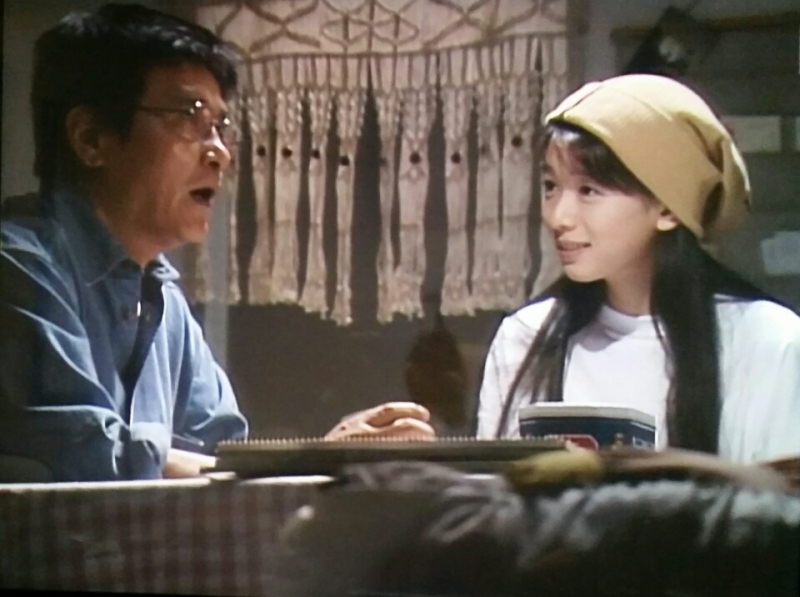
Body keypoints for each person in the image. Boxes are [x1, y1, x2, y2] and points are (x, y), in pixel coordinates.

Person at [0, 3, 432, 483]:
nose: (220, 153)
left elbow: (222, 458)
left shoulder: (162, 297)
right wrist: (308, 464)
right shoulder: (19, 268)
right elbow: (86, 457)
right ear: (91, 138)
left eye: (220, 127)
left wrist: (316, 459)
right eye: (190, 117)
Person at [476, 74, 800, 464]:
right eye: (550, 186)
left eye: (588, 191)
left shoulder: (769, 342)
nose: (559, 217)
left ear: (667, 208)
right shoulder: (526, 337)